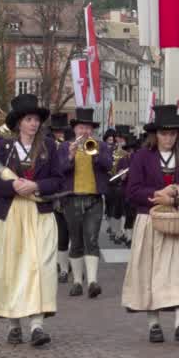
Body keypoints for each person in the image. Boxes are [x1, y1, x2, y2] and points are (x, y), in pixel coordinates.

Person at [122, 105, 179, 343]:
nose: (168, 138)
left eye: (172, 133)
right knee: (150, 270)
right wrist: (157, 194)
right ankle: (154, 323)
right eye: (164, 133)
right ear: (155, 134)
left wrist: (176, 197)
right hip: (151, 219)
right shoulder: (141, 157)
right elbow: (132, 191)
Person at [0, 94, 63, 347]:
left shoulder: (49, 147)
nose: (33, 124)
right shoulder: (3, 148)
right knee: (12, 267)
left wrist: (36, 185)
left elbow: (59, 181)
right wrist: (12, 187)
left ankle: (37, 325)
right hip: (11, 214)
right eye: (29, 119)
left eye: (36, 120)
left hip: (40, 215)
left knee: (41, 267)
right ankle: (13, 324)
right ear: (19, 122)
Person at [59, 108, 112, 299]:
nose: (84, 131)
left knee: (92, 239)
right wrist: (71, 156)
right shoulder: (65, 147)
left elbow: (107, 166)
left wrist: (95, 153)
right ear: (75, 129)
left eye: (88, 127)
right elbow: (60, 170)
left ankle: (92, 281)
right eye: (81, 127)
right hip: (71, 198)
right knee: (76, 240)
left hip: (94, 198)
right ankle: (77, 282)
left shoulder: (101, 146)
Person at [46, 112, 73, 283]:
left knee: (74, 232)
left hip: (70, 192)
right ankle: (62, 267)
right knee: (58, 233)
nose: (60, 135)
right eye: (56, 132)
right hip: (55, 195)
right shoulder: (48, 146)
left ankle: (70, 262)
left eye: (62, 132)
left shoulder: (70, 145)